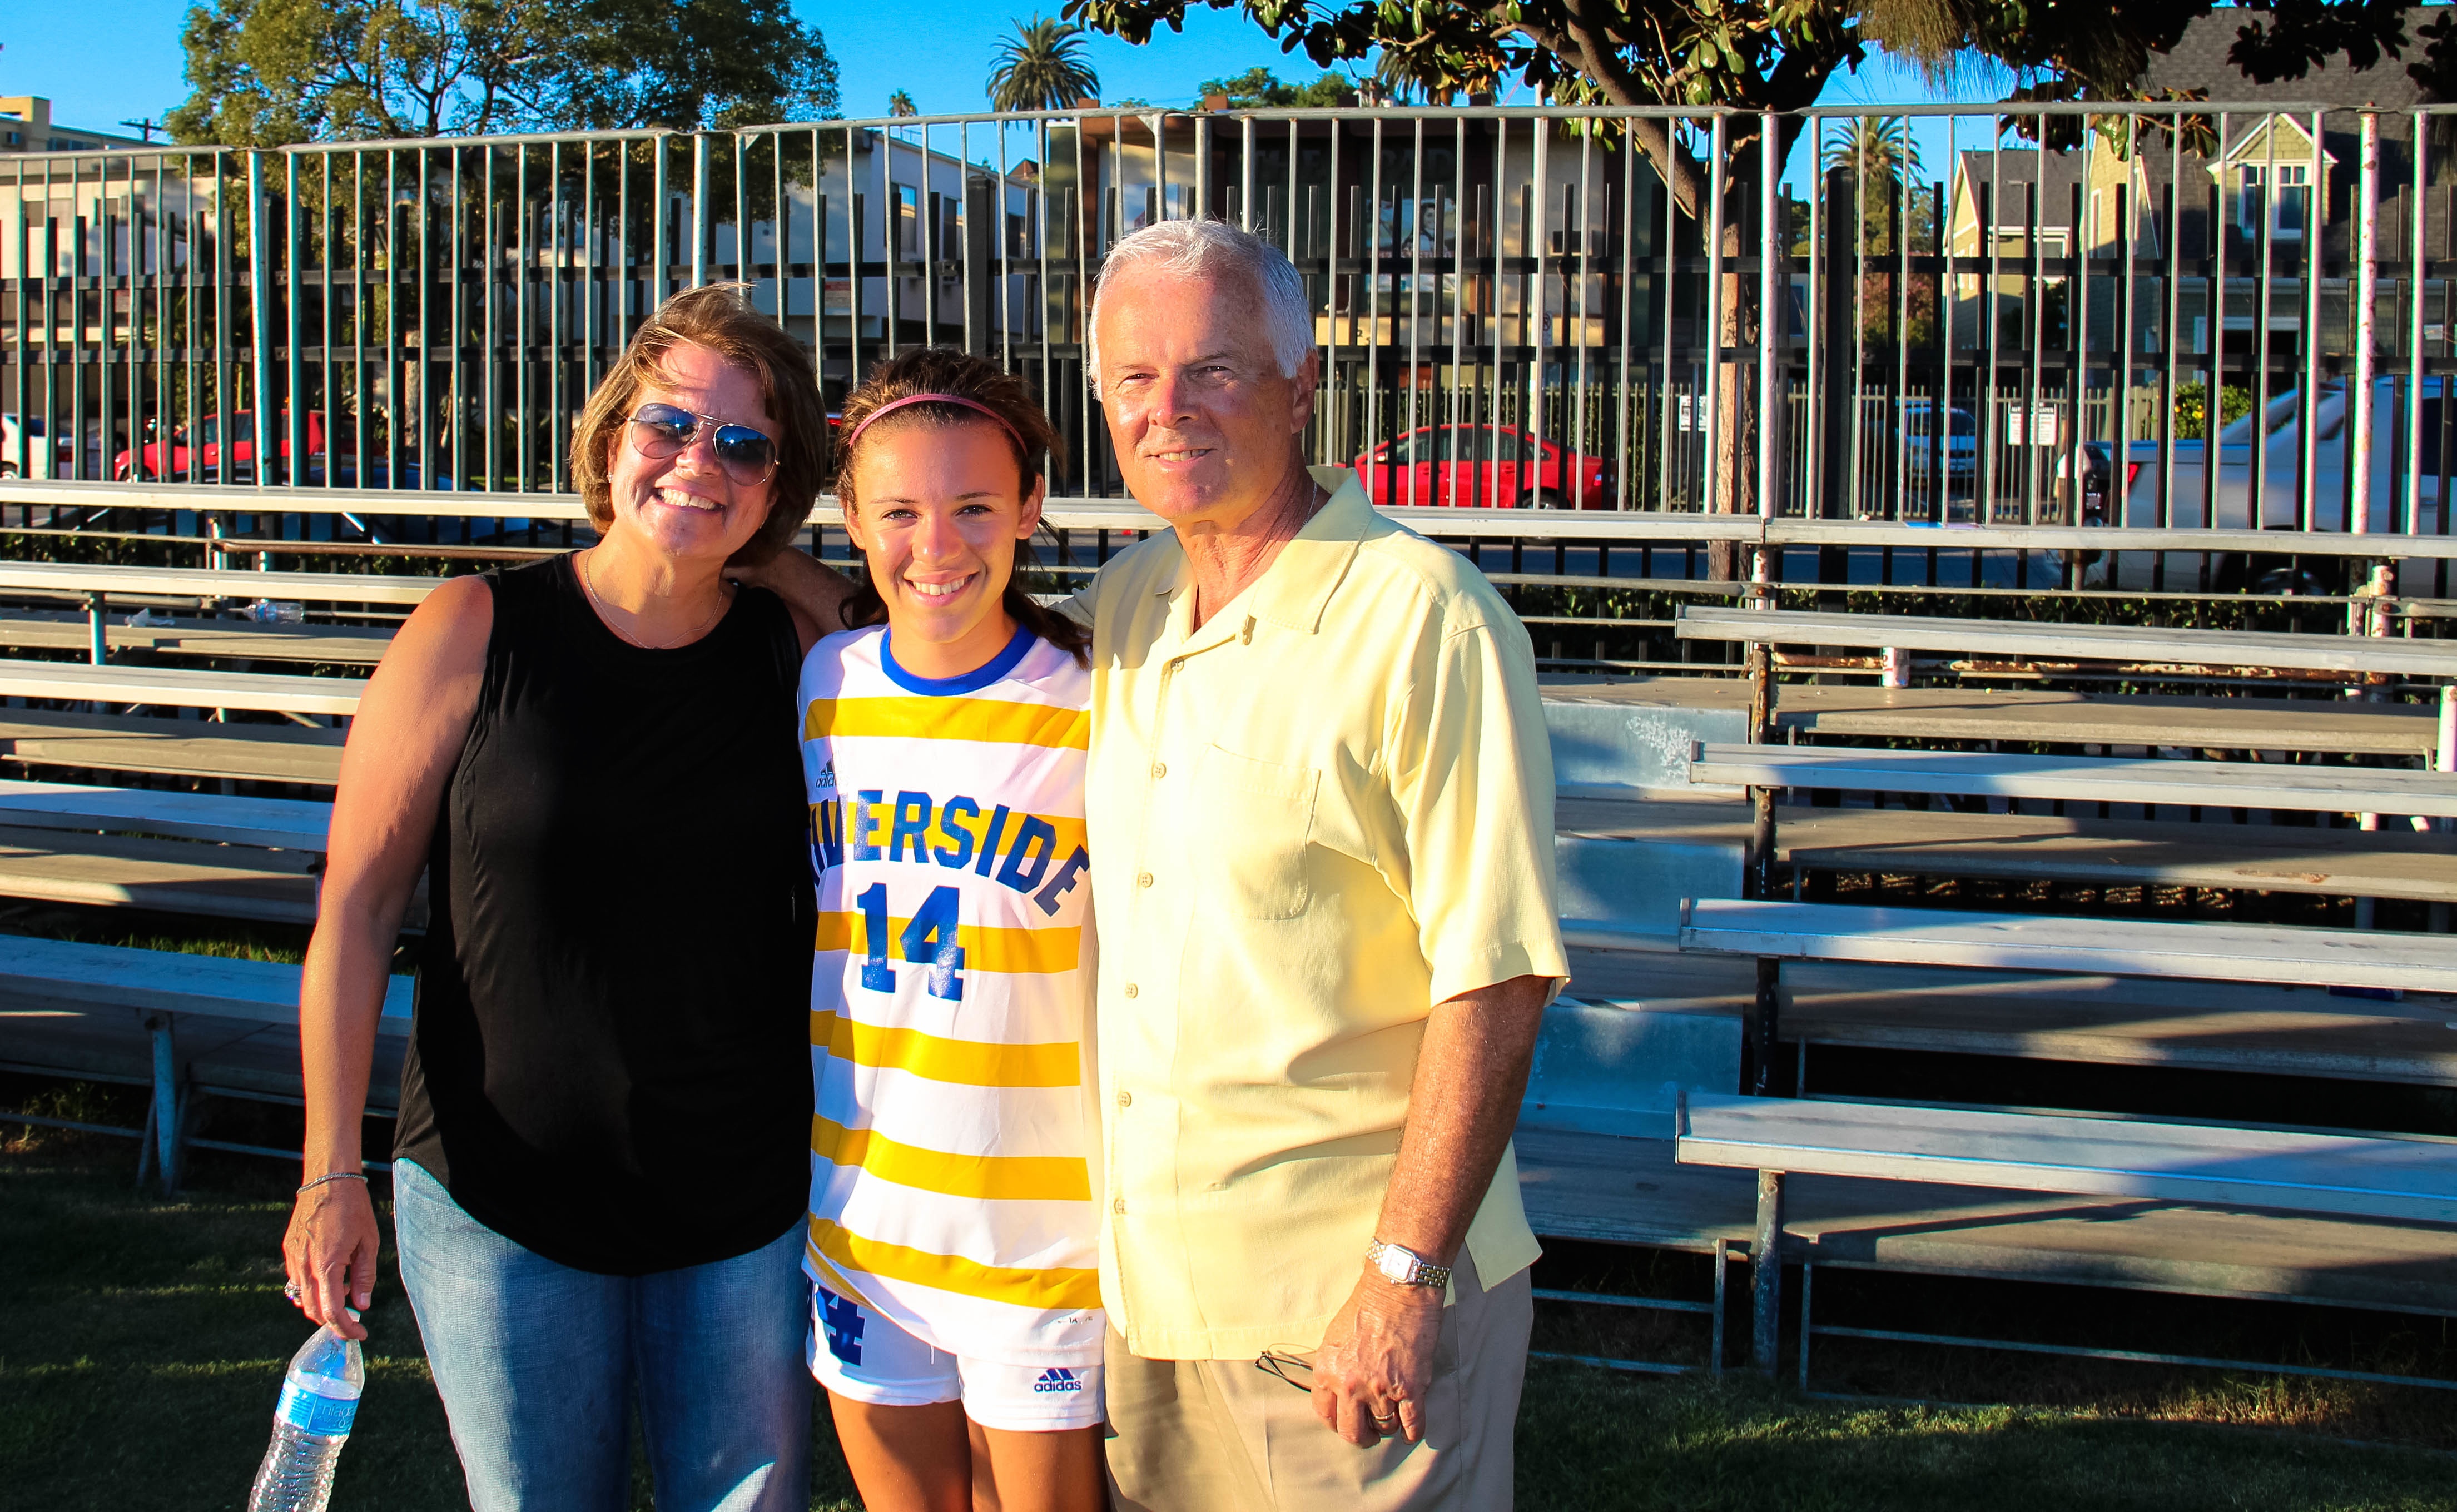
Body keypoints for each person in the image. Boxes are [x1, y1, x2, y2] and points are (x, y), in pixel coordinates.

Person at [754, 220, 1568, 1508]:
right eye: (1134, 377)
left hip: (1341, 1305)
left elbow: (1498, 975)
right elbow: (936, 619)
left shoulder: (1423, 620)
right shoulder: (1125, 610)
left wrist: (1402, 1276)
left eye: (1213, 369)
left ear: (1299, 388)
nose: (1167, 407)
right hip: (1149, 1305)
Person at [279, 282, 851, 1511]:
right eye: (668, 426)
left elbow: (909, 628)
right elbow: (358, 913)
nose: (697, 461)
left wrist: (764, 548)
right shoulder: (474, 627)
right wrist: (330, 1171)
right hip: (500, 1204)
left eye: (744, 445)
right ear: (608, 437)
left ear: (782, 483)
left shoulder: (797, 649)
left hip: (741, 1203)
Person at [796, 347, 1106, 1512]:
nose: (937, 545)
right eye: (900, 512)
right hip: (860, 1221)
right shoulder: (824, 685)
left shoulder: (1097, 696)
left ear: (1030, 505)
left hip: (1039, 1237)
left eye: (975, 505)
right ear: (852, 519)